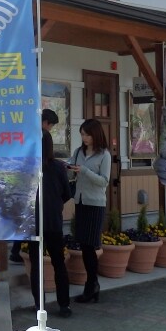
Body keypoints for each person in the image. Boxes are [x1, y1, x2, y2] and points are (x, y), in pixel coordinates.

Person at [28, 129, 71, 317]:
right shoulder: (59, 167)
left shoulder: (27, 166)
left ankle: (40, 307)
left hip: (32, 222)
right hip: (53, 221)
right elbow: (67, 194)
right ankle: (64, 305)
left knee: (36, 265)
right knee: (58, 263)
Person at [11, 108, 60, 264]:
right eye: (51, 126)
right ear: (46, 122)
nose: (50, 129)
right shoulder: (40, 136)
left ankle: (16, 250)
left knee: (25, 219)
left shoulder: (27, 133)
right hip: (37, 194)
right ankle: (17, 251)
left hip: (25, 185)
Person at [69, 118, 110, 303]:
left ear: (95, 134)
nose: (84, 138)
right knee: (84, 245)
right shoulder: (78, 152)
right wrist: (69, 169)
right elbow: (73, 173)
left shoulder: (104, 155)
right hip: (81, 202)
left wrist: (84, 171)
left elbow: (104, 181)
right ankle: (92, 285)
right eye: (82, 135)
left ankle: (92, 284)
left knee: (90, 245)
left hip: (95, 204)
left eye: (87, 134)